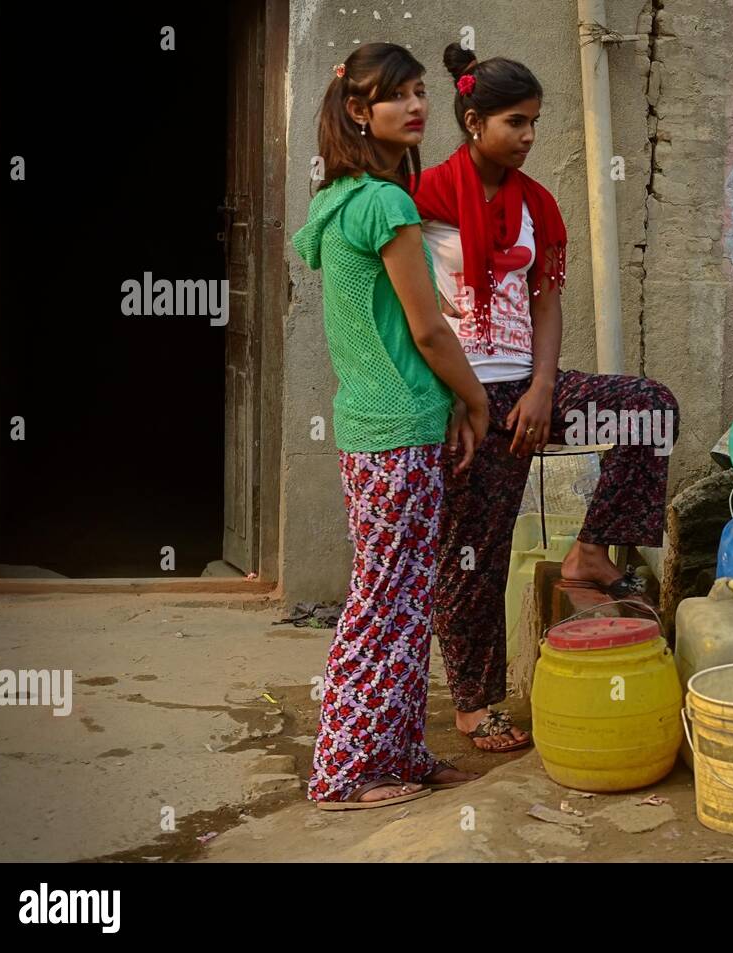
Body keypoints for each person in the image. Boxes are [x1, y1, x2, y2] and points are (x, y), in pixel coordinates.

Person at [415, 44, 679, 753]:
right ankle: (474, 705)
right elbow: (410, 314)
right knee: (475, 554)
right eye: (515, 122)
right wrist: (450, 401)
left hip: (527, 389)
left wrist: (541, 386)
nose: (530, 136)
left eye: (534, 121)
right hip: (463, 400)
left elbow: (548, 303)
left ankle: (589, 551)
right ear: (473, 121)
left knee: (647, 407)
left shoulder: (537, 204)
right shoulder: (425, 198)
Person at [291, 43, 486, 809]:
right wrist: (476, 402)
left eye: (418, 93)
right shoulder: (385, 204)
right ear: (355, 110)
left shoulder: (335, 200)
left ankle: (399, 751)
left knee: (404, 601)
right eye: (395, 96)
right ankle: (342, 770)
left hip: (373, 429)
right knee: (382, 603)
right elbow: (430, 329)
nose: (415, 107)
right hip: (399, 430)